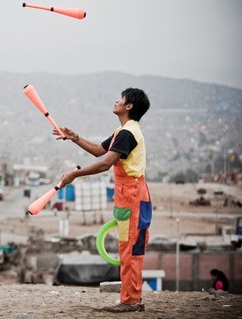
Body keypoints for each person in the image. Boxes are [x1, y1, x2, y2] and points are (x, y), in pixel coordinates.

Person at [55, 88, 151, 313]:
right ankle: (130, 298)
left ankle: (131, 301)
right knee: (127, 248)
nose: (116, 100)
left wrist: (74, 174)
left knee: (131, 250)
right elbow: (99, 151)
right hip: (129, 198)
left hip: (133, 198)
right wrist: (74, 138)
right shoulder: (123, 131)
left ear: (128, 106)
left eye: (121, 98)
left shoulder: (128, 133)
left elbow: (105, 163)